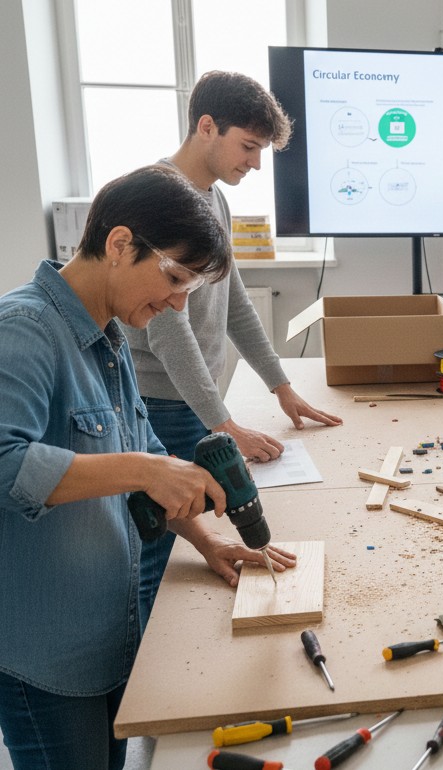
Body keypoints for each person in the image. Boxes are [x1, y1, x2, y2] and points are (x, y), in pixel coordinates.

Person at [0, 165, 296, 770]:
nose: (176, 303)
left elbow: (150, 460)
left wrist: (207, 541)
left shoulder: (110, 338)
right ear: (118, 245)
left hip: (108, 633)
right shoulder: (24, 331)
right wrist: (140, 468)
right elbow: (6, 463)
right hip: (45, 658)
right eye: (174, 278)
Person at [123, 71, 342, 629]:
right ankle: (140, 682)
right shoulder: (159, 199)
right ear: (206, 127)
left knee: (193, 533)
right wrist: (223, 423)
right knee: (153, 548)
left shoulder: (211, 199)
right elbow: (169, 332)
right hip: (158, 402)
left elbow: (235, 302)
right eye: (248, 146)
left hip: (190, 405)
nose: (256, 163)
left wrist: (282, 387)